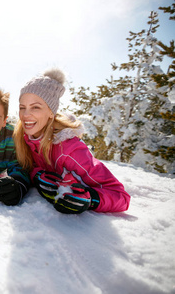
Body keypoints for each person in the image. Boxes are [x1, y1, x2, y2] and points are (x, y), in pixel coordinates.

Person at [13, 68, 130, 214]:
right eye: (22, 107)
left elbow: (121, 196)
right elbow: (28, 165)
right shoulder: (23, 138)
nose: (26, 114)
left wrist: (91, 198)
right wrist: (37, 175)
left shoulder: (70, 149)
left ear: (51, 112)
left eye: (35, 107)